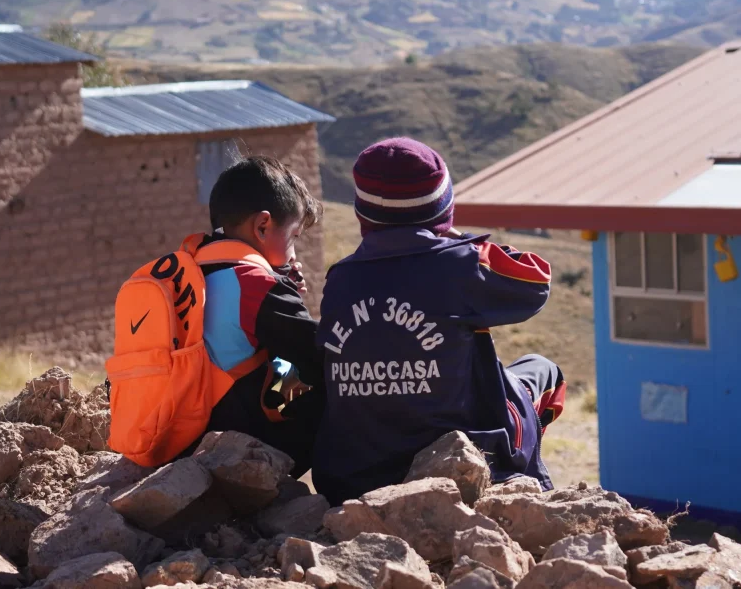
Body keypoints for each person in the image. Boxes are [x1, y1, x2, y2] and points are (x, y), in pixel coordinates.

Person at [311, 137, 567, 505]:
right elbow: (535, 281)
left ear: (362, 213)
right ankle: (526, 487)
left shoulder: (340, 278)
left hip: (355, 476)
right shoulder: (460, 263)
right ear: (442, 207)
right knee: (545, 373)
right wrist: (459, 239)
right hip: (454, 466)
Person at [191, 154, 325, 475]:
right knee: (338, 378)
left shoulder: (195, 270)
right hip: (235, 445)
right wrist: (283, 291)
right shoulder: (256, 285)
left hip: (183, 434)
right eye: (294, 237)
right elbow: (317, 351)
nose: (294, 253)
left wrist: (285, 289)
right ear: (263, 226)